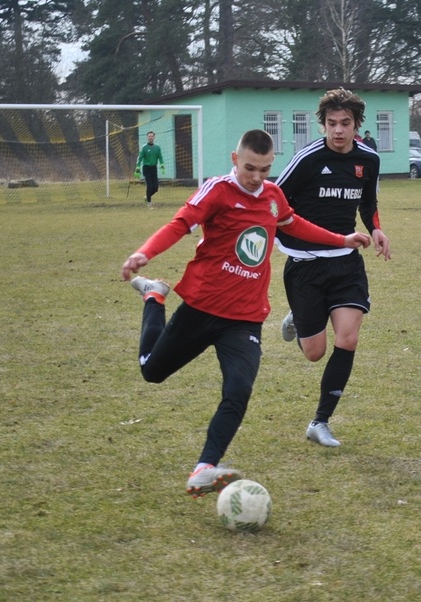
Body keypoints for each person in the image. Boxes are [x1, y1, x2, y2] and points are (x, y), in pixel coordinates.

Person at [120, 129, 371, 496]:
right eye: (250, 168)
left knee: (238, 389)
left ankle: (205, 466)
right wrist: (145, 253)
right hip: (202, 306)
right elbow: (180, 225)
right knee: (152, 371)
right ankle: (155, 297)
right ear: (236, 160)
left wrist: (341, 239)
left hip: (245, 317)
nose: (257, 177)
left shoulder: (272, 195)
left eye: (265, 170)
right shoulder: (217, 190)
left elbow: (292, 224)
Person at [275, 87, 392, 448]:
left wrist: (375, 227)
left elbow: (368, 200)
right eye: (331, 123)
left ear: (357, 125)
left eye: (345, 123)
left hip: (346, 264)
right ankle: (298, 314)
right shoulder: (307, 159)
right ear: (322, 124)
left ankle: (320, 421)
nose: (338, 131)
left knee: (348, 338)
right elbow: (274, 201)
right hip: (306, 265)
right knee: (314, 353)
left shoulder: (368, 159)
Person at [134, 131, 165, 209]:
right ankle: (149, 203)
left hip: (154, 168)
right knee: (150, 186)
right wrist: (137, 167)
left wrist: (162, 165)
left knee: (156, 188)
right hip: (146, 168)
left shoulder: (157, 148)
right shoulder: (144, 147)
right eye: (149, 136)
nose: (150, 137)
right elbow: (140, 158)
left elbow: (160, 157)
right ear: (147, 137)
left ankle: (146, 197)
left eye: (151, 136)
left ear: (154, 137)